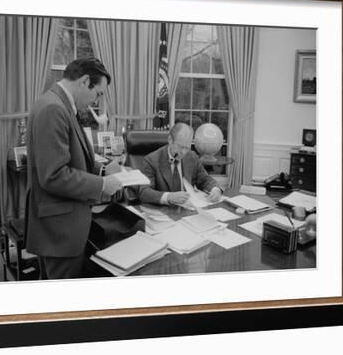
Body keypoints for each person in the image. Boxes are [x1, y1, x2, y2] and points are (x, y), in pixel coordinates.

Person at [26, 57, 123, 279]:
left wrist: (101, 170)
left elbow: (71, 158)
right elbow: (54, 175)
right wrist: (101, 185)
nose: (95, 101)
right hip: (60, 231)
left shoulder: (59, 104)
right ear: (85, 81)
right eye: (97, 94)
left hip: (60, 225)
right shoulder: (54, 108)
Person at [138, 123, 222, 206]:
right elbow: (144, 192)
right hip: (164, 211)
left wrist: (215, 190)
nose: (183, 152)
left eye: (186, 148)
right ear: (170, 140)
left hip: (188, 209)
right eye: (180, 147)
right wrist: (169, 197)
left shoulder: (192, 156)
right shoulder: (151, 160)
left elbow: (205, 180)